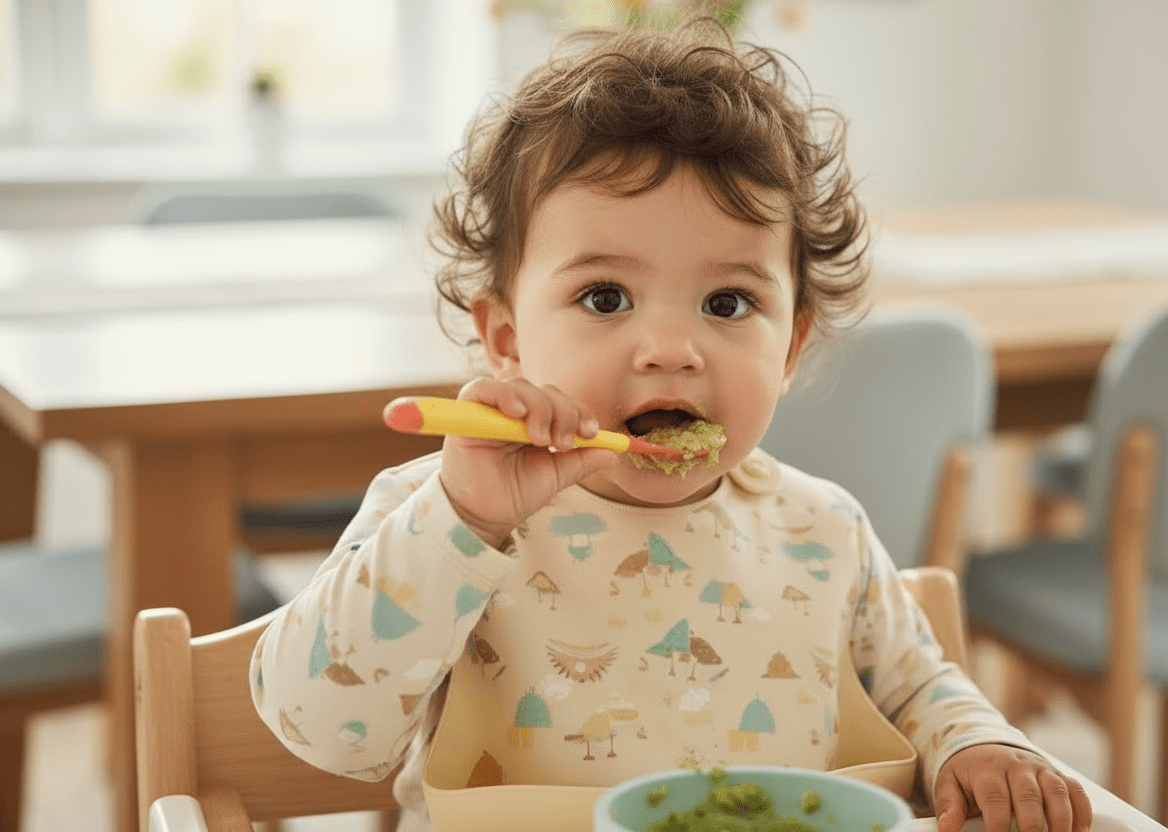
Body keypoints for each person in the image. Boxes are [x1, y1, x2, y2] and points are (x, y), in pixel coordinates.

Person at [250, 18, 1092, 832]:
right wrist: (463, 518)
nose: (669, 350)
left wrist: (976, 743)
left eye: (727, 303)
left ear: (791, 345)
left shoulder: (825, 533)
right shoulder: (441, 513)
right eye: (604, 297)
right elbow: (322, 730)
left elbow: (918, 688)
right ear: (506, 339)